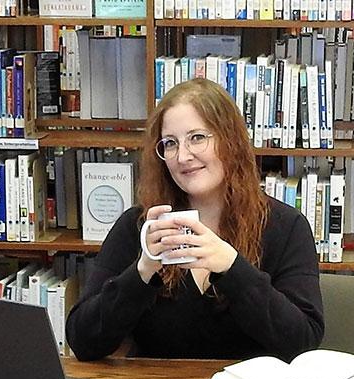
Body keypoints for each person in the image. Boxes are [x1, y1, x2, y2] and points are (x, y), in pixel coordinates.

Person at [66, 78, 324, 362]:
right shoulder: (137, 227)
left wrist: (231, 268)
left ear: (230, 141)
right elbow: (83, 341)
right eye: (170, 143)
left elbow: (303, 344)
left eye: (197, 138)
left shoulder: (286, 226)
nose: (183, 156)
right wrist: (143, 269)